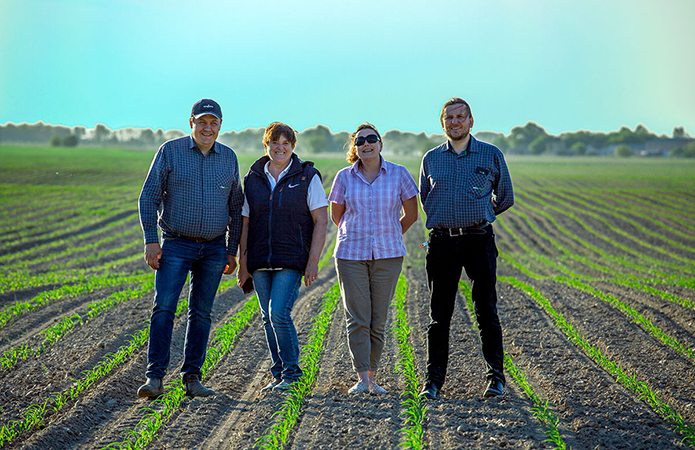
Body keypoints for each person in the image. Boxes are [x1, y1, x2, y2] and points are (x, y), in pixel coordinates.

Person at [137, 99, 243, 398]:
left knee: (202, 313)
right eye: (202, 122)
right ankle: (155, 378)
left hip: (213, 249)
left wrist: (231, 250)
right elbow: (149, 197)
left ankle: (192, 378)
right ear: (191, 122)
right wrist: (150, 239)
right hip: (175, 245)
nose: (208, 128)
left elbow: (236, 207)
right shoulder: (170, 151)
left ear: (220, 125)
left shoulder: (229, 158)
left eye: (214, 123)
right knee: (164, 308)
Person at [418, 97, 514, 400]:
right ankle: (433, 383)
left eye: (461, 117)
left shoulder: (490, 154)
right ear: (442, 123)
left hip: (478, 240)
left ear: (471, 121)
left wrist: (481, 214)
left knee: (486, 310)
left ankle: (495, 379)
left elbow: (506, 196)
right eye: (449, 118)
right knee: (438, 315)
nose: (455, 122)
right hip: (442, 243)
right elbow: (425, 198)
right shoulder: (431, 158)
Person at [236, 122, 328, 392]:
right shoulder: (253, 178)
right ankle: (278, 375)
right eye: (275, 142)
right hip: (260, 259)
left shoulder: (307, 176)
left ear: (292, 147)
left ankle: (292, 373)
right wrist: (244, 264)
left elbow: (321, 220)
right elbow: (245, 222)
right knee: (266, 316)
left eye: (286, 143)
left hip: (292, 259)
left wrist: (313, 261)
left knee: (279, 312)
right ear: (266, 145)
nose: (280, 147)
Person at [329, 123, 419, 394]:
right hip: (350, 255)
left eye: (371, 139)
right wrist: (358, 235)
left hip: (388, 255)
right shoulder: (344, 177)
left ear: (380, 144)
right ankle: (362, 380)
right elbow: (337, 216)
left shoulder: (399, 174)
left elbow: (412, 214)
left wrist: (389, 234)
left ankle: (372, 375)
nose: (366, 144)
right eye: (360, 141)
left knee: (378, 319)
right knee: (357, 317)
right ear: (354, 149)